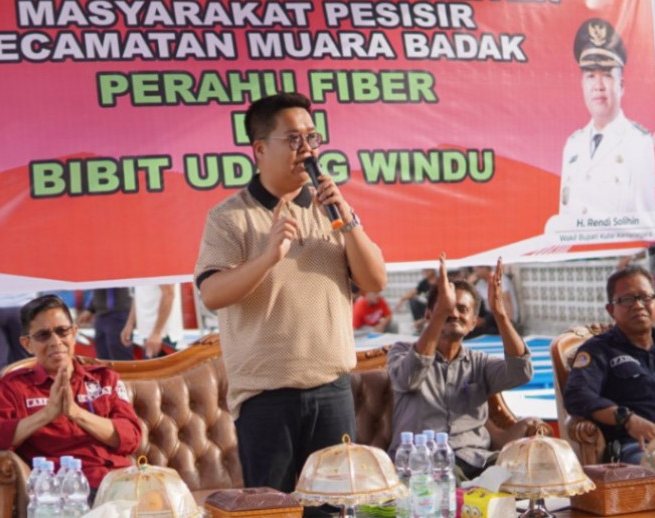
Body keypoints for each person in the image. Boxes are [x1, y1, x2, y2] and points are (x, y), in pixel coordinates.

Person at [194, 92, 387, 494]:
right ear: (260, 149)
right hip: (266, 400)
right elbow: (211, 294)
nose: (308, 149)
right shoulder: (229, 217)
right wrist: (267, 257)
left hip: (333, 391)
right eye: (295, 139)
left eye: (313, 138)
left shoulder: (331, 208)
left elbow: (374, 283)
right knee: (275, 508)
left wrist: (349, 220)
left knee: (334, 507)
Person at [0, 294, 141, 494]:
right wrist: (46, 415)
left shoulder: (104, 379)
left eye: (62, 331)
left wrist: (75, 413)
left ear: (74, 333)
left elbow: (132, 437)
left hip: (119, 484)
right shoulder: (13, 387)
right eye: (43, 335)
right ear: (27, 344)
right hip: (63, 493)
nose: (55, 342)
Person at [387, 256, 532, 480]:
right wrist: (439, 315)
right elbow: (409, 378)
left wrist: (500, 315)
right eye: (446, 309)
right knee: (449, 480)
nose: (454, 314)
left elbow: (520, 372)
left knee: (528, 473)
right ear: (428, 315)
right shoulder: (401, 351)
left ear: (473, 323)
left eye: (462, 309)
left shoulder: (479, 362)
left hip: (476, 459)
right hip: (423, 464)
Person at [562, 265, 655, 464]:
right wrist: (626, 419)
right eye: (627, 300)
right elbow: (577, 396)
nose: (638, 305)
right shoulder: (599, 350)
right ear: (611, 310)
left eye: (645, 297)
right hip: (638, 448)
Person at [557, 18, 655, 217]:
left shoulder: (638, 142)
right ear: (582, 84)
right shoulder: (573, 145)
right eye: (591, 76)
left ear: (622, 85)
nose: (598, 85)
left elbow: (644, 224)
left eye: (607, 75)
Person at [122, 284, 184, 358]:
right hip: (150, 334)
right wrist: (130, 324)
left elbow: (169, 294)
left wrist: (157, 333)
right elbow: (138, 294)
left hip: (162, 336)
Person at [78, 288, 134, 361]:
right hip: (101, 314)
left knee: (120, 360)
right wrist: (90, 309)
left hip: (118, 313)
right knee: (103, 360)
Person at [396, 269, 436, 333]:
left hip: (436, 308)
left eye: (427, 270)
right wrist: (401, 300)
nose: (425, 272)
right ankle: (419, 325)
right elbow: (414, 292)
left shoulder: (439, 282)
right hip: (427, 308)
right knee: (413, 300)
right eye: (424, 271)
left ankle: (422, 322)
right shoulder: (424, 283)